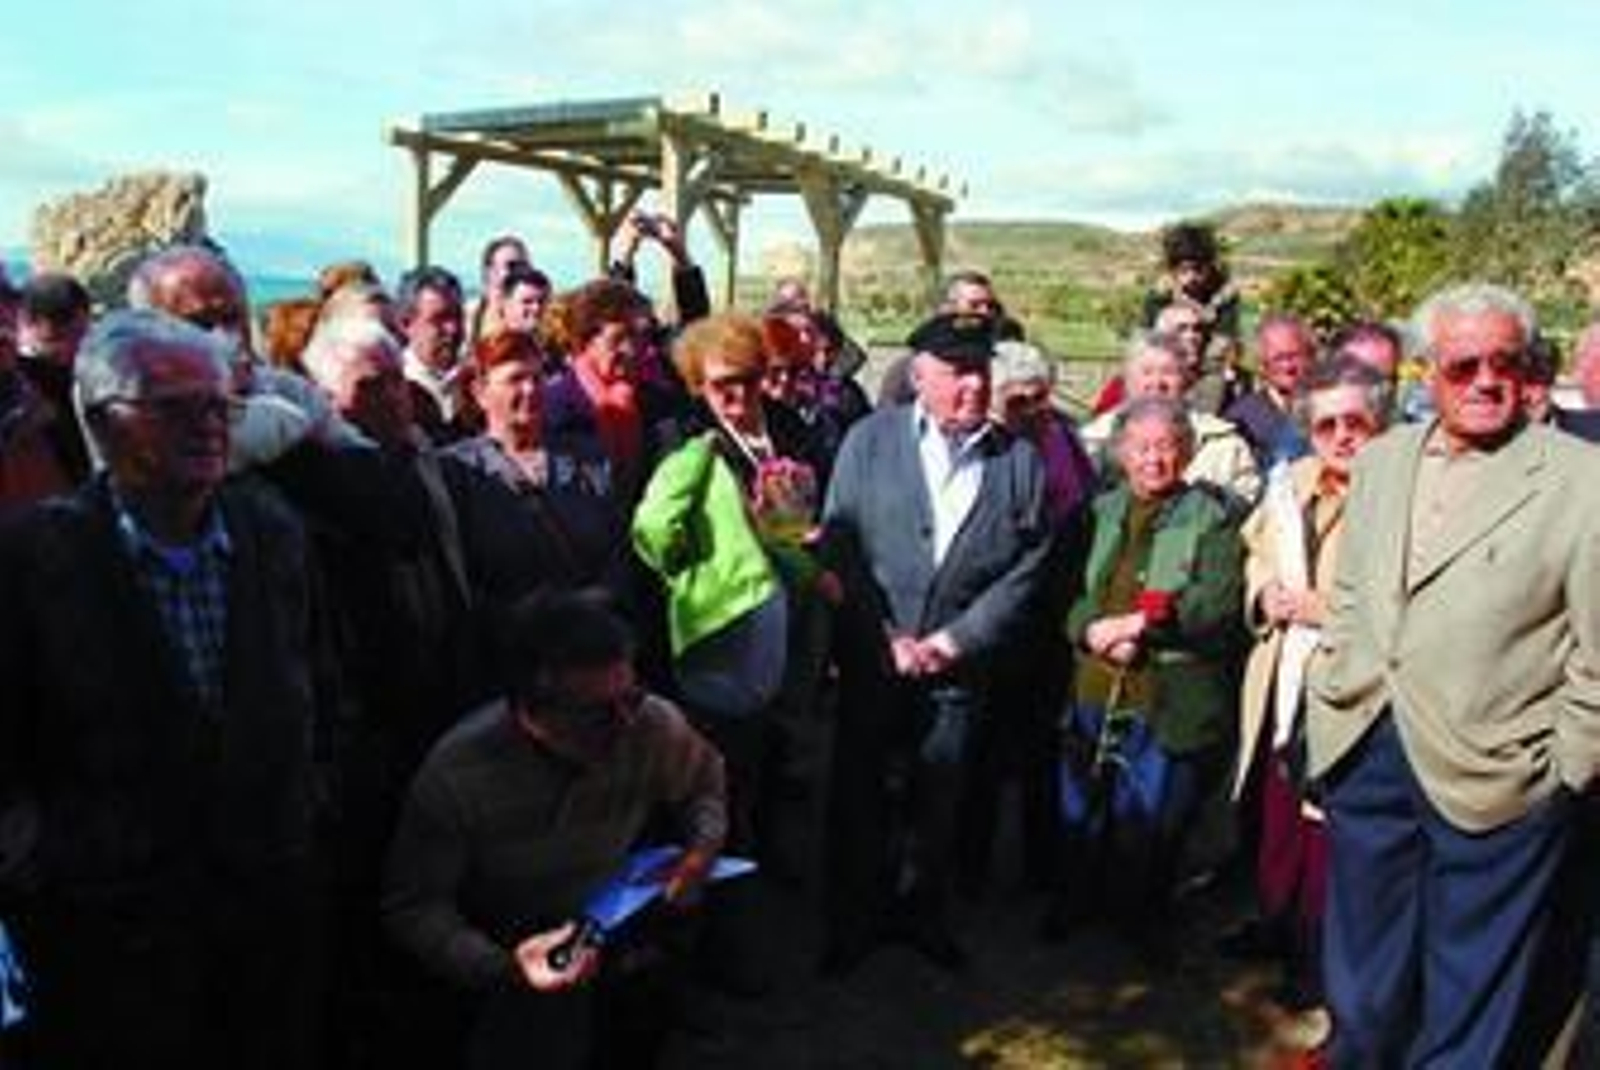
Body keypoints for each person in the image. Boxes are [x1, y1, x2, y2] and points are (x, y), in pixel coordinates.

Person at [0, 308, 329, 1068]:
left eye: (218, 405)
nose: (208, 425)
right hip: (111, 928)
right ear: (104, 424)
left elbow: (315, 679)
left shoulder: (270, 530)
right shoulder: (35, 555)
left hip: (264, 911)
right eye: (174, 407)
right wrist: (38, 852)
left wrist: (308, 802)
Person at [1306, 283, 1600, 1066]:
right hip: (1367, 750)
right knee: (1363, 983)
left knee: (1470, 997)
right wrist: (1332, 689)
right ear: (1427, 372)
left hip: (1500, 774)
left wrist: (1562, 770)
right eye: (1464, 364)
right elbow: (1351, 597)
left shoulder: (1582, 480)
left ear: (1531, 368)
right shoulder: (1383, 460)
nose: (1486, 380)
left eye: (1506, 361)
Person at [383, 588, 727, 1070]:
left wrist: (702, 849)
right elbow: (414, 907)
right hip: (501, 965)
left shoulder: (652, 725)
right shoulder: (456, 776)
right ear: (530, 708)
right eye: (598, 712)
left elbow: (704, 784)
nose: (626, 723)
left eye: (631, 696)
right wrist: (500, 966)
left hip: (619, 953)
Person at [818, 312, 1051, 974]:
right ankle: (853, 920)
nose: (972, 386)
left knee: (938, 798)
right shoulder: (868, 441)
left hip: (956, 671)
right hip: (873, 659)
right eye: (955, 373)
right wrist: (884, 635)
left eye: (979, 371)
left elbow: (1024, 571)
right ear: (919, 376)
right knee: (859, 794)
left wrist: (952, 642)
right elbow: (841, 543)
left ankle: (923, 915)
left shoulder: (1019, 462)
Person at [1043, 396, 1243, 953]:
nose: (1154, 460)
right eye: (1142, 447)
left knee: (1152, 816)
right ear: (1122, 452)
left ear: (1186, 452)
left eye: (1167, 447)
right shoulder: (1096, 511)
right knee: (1081, 801)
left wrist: (1143, 626)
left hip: (1167, 691)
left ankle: (1143, 918)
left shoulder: (1215, 518)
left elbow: (1216, 604)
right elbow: (1067, 592)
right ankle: (1074, 900)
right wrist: (1092, 630)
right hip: (1094, 679)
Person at [1231, 356, 1389, 1047]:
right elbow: (1256, 554)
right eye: (1327, 423)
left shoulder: (1399, 493)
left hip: (1352, 687)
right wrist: (1263, 592)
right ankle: (1274, 923)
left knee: (1326, 828)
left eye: (1358, 420)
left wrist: (1332, 609)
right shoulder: (1289, 483)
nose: (1343, 435)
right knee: (1276, 813)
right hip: (1282, 677)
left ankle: (1315, 961)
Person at [1080, 331, 1261, 510]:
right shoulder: (1091, 442)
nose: (1157, 383)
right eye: (1147, 372)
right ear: (1127, 379)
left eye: (1168, 372)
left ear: (1187, 380)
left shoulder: (1224, 444)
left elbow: (1249, 508)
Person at [397, 265, 478, 443]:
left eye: (458, 317)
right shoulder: (393, 388)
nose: (453, 329)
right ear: (406, 324)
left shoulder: (478, 384)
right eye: (439, 319)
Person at [1225, 313, 1315, 470]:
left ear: (1311, 356)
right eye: (1278, 358)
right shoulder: (1242, 418)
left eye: (1294, 356)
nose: (1288, 367)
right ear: (1262, 364)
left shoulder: (1333, 408)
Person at [466, 235, 531, 351]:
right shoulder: (468, 317)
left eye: (524, 266)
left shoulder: (538, 318)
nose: (520, 272)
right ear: (490, 271)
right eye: (512, 266)